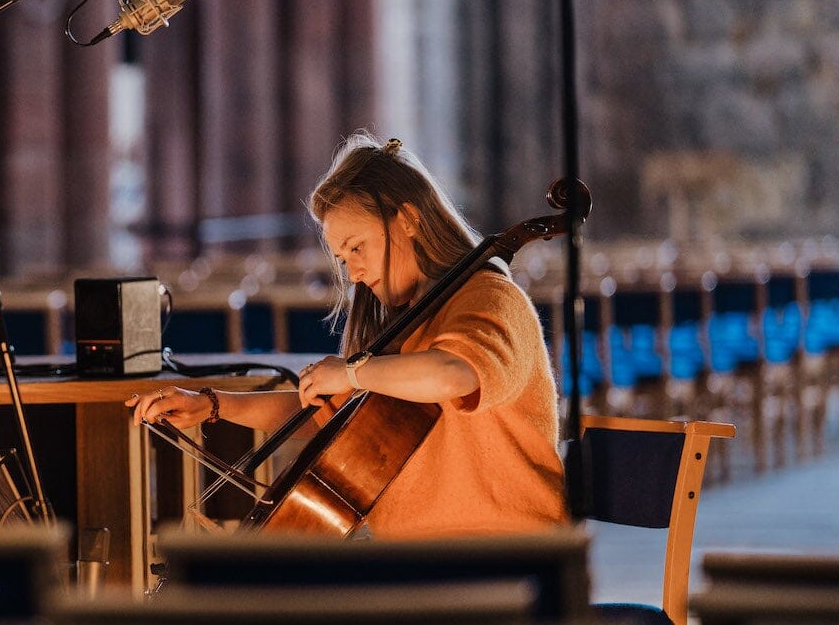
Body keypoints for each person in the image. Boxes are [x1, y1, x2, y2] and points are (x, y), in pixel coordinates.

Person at [130, 132, 567, 538]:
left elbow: (454, 374)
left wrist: (353, 372)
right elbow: (325, 415)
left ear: (408, 219)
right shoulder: (409, 321)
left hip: (506, 561)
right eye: (343, 259)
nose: (354, 273)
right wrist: (212, 405)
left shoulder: (489, 296)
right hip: (426, 569)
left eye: (357, 247)